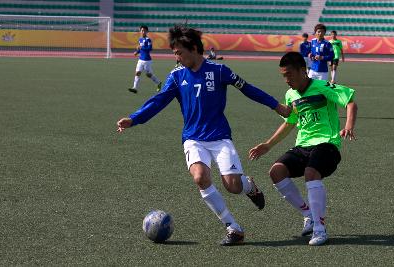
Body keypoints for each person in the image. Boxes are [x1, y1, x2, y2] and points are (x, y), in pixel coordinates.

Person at [117, 25, 291, 246]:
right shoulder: (176, 76)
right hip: (193, 138)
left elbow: (248, 89)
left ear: (193, 49)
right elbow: (158, 101)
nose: (177, 58)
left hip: (219, 137)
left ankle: (249, 186)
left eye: (179, 52)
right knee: (200, 177)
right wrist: (134, 119)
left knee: (233, 186)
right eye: (175, 54)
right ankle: (233, 227)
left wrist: (276, 106)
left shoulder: (219, 71)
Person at [249, 52, 357, 246]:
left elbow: (349, 101)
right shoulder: (291, 95)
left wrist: (348, 125)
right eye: (283, 75)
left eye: (289, 74)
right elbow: (290, 123)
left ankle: (320, 229)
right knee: (276, 171)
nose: (286, 80)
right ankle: (308, 214)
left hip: (327, 144)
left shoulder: (322, 87)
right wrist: (268, 144)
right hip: (303, 146)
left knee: (311, 172)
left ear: (302, 70)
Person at [128, 25, 162, 94]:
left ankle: (158, 83)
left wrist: (141, 48)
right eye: (142, 30)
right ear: (140, 31)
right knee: (137, 73)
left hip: (147, 60)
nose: (143, 32)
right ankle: (134, 88)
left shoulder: (148, 39)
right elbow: (141, 49)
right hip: (140, 60)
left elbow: (150, 49)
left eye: (144, 30)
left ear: (147, 31)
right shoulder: (140, 39)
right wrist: (137, 52)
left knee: (149, 75)